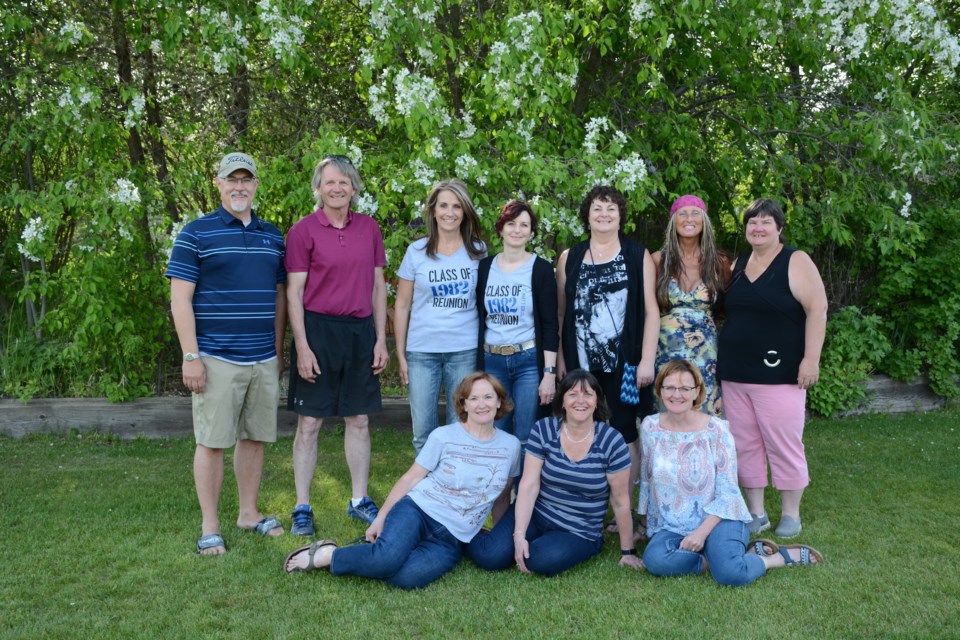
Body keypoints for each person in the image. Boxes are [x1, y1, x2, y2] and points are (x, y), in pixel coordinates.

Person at [283, 372, 521, 589]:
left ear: (499, 401)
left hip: (452, 539)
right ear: (464, 405)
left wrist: (497, 535)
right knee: (386, 560)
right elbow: (411, 478)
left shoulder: (511, 446)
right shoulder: (444, 436)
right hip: (419, 510)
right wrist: (381, 519)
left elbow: (502, 496)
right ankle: (328, 554)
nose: (482, 405)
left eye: (488, 397)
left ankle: (379, 552)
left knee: (406, 578)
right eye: (474, 398)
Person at [167, 152, 286, 555]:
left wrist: (279, 350)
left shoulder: (273, 235)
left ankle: (248, 514)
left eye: (246, 180)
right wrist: (190, 356)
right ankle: (210, 525)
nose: (239, 186)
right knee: (213, 442)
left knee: (254, 439)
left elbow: (279, 297)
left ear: (255, 185)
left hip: (263, 357)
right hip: (216, 357)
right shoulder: (196, 233)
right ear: (217, 184)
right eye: (231, 179)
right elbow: (180, 300)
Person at [639, 360, 824, 586]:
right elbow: (648, 478)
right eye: (669, 387)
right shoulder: (650, 427)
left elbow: (728, 492)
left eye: (685, 388)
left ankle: (774, 558)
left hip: (720, 519)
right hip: (673, 524)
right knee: (654, 560)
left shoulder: (717, 430)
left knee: (730, 575)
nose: (676, 395)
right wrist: (645, 520)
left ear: (697, 391)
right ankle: (716, 559)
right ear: (660, 390)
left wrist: (701, 534)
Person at [285, 155, 389, 534]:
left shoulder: (369, 229)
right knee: (309, 423)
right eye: (330, 182)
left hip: (360, 332)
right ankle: (302, 506)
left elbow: (379, 287)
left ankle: (359, 500)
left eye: (344, 182)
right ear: (318, 188)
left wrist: (381, 339)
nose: (337, 188)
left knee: (358, 419)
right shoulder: (302, 231)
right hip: (318, 332)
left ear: (354, 188)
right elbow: (294, 294)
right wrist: (303, 346)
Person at [717, 198, 828, 538]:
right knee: (744, 443)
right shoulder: (739, 262)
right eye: (752, 222)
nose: (758, 227)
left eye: (766, 222)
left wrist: (811, 359)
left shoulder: (796, 261)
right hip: (735, 373)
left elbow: (818, 309)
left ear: (779, 228)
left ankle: (791, 514)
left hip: (779, 375)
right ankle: (756, 512)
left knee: (783, 442)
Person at [467, 369, 644, 576]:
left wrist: (628, 551)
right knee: (489, 556)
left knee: (539, 560)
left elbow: (621, 500)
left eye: (588, 394)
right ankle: (459, 535)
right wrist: (519, 534)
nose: (580, 400)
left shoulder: (611, 441)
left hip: (579, 529)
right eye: (572, 394)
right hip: (537, 513)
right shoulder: (544, 430)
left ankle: (556, 545)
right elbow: (529, 485)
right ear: (562, 401)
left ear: (598, 401)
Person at [556, 185, 660, 534]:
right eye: (597, 209)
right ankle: (587, 506)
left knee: (626, 433)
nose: (603, 215)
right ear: (587, 215)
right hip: (580, 367)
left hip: (625, 364)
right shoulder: (569, 257)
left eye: (611, 209)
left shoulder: (636, 254)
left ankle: (624, 511)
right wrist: (559, 361)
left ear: (620, 216)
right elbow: (560, 314)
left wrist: (647, 359)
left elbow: (650, 311)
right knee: (582, 431)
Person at [394, 179, 486, 453]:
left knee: (464, 428)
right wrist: (401, 354)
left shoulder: (478, 251)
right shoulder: (416, 252)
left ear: (465, 211)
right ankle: (429, 492)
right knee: (423, 432)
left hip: (464, 351)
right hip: (422, 352)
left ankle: (458, 490)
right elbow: (402, 305)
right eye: (444, 205)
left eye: (457, 206)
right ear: (433, 210)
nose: (450, 212)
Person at [476, 200, 559, 454]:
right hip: (493, 361)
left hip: (527, 362)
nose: (517, 230)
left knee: (525, 435)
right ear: (501, 228)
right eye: (511, 224)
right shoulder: (484, 267)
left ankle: (522, 493)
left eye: (524, 225)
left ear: (531, 232)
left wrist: (549, 374)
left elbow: (549, 324)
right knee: (496, 433)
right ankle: (500, 493)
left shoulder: (541, 269)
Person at [652, 195, 729, 415]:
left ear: (704, 220)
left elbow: (725, 308)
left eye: (695, 213)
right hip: (666, 349)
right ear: (673, 221)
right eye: (682, 213)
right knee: (667, 409)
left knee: (704, 408)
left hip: (706, 352)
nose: (689, 218)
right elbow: (647, 309)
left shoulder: (719, 262)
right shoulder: (658, 260)